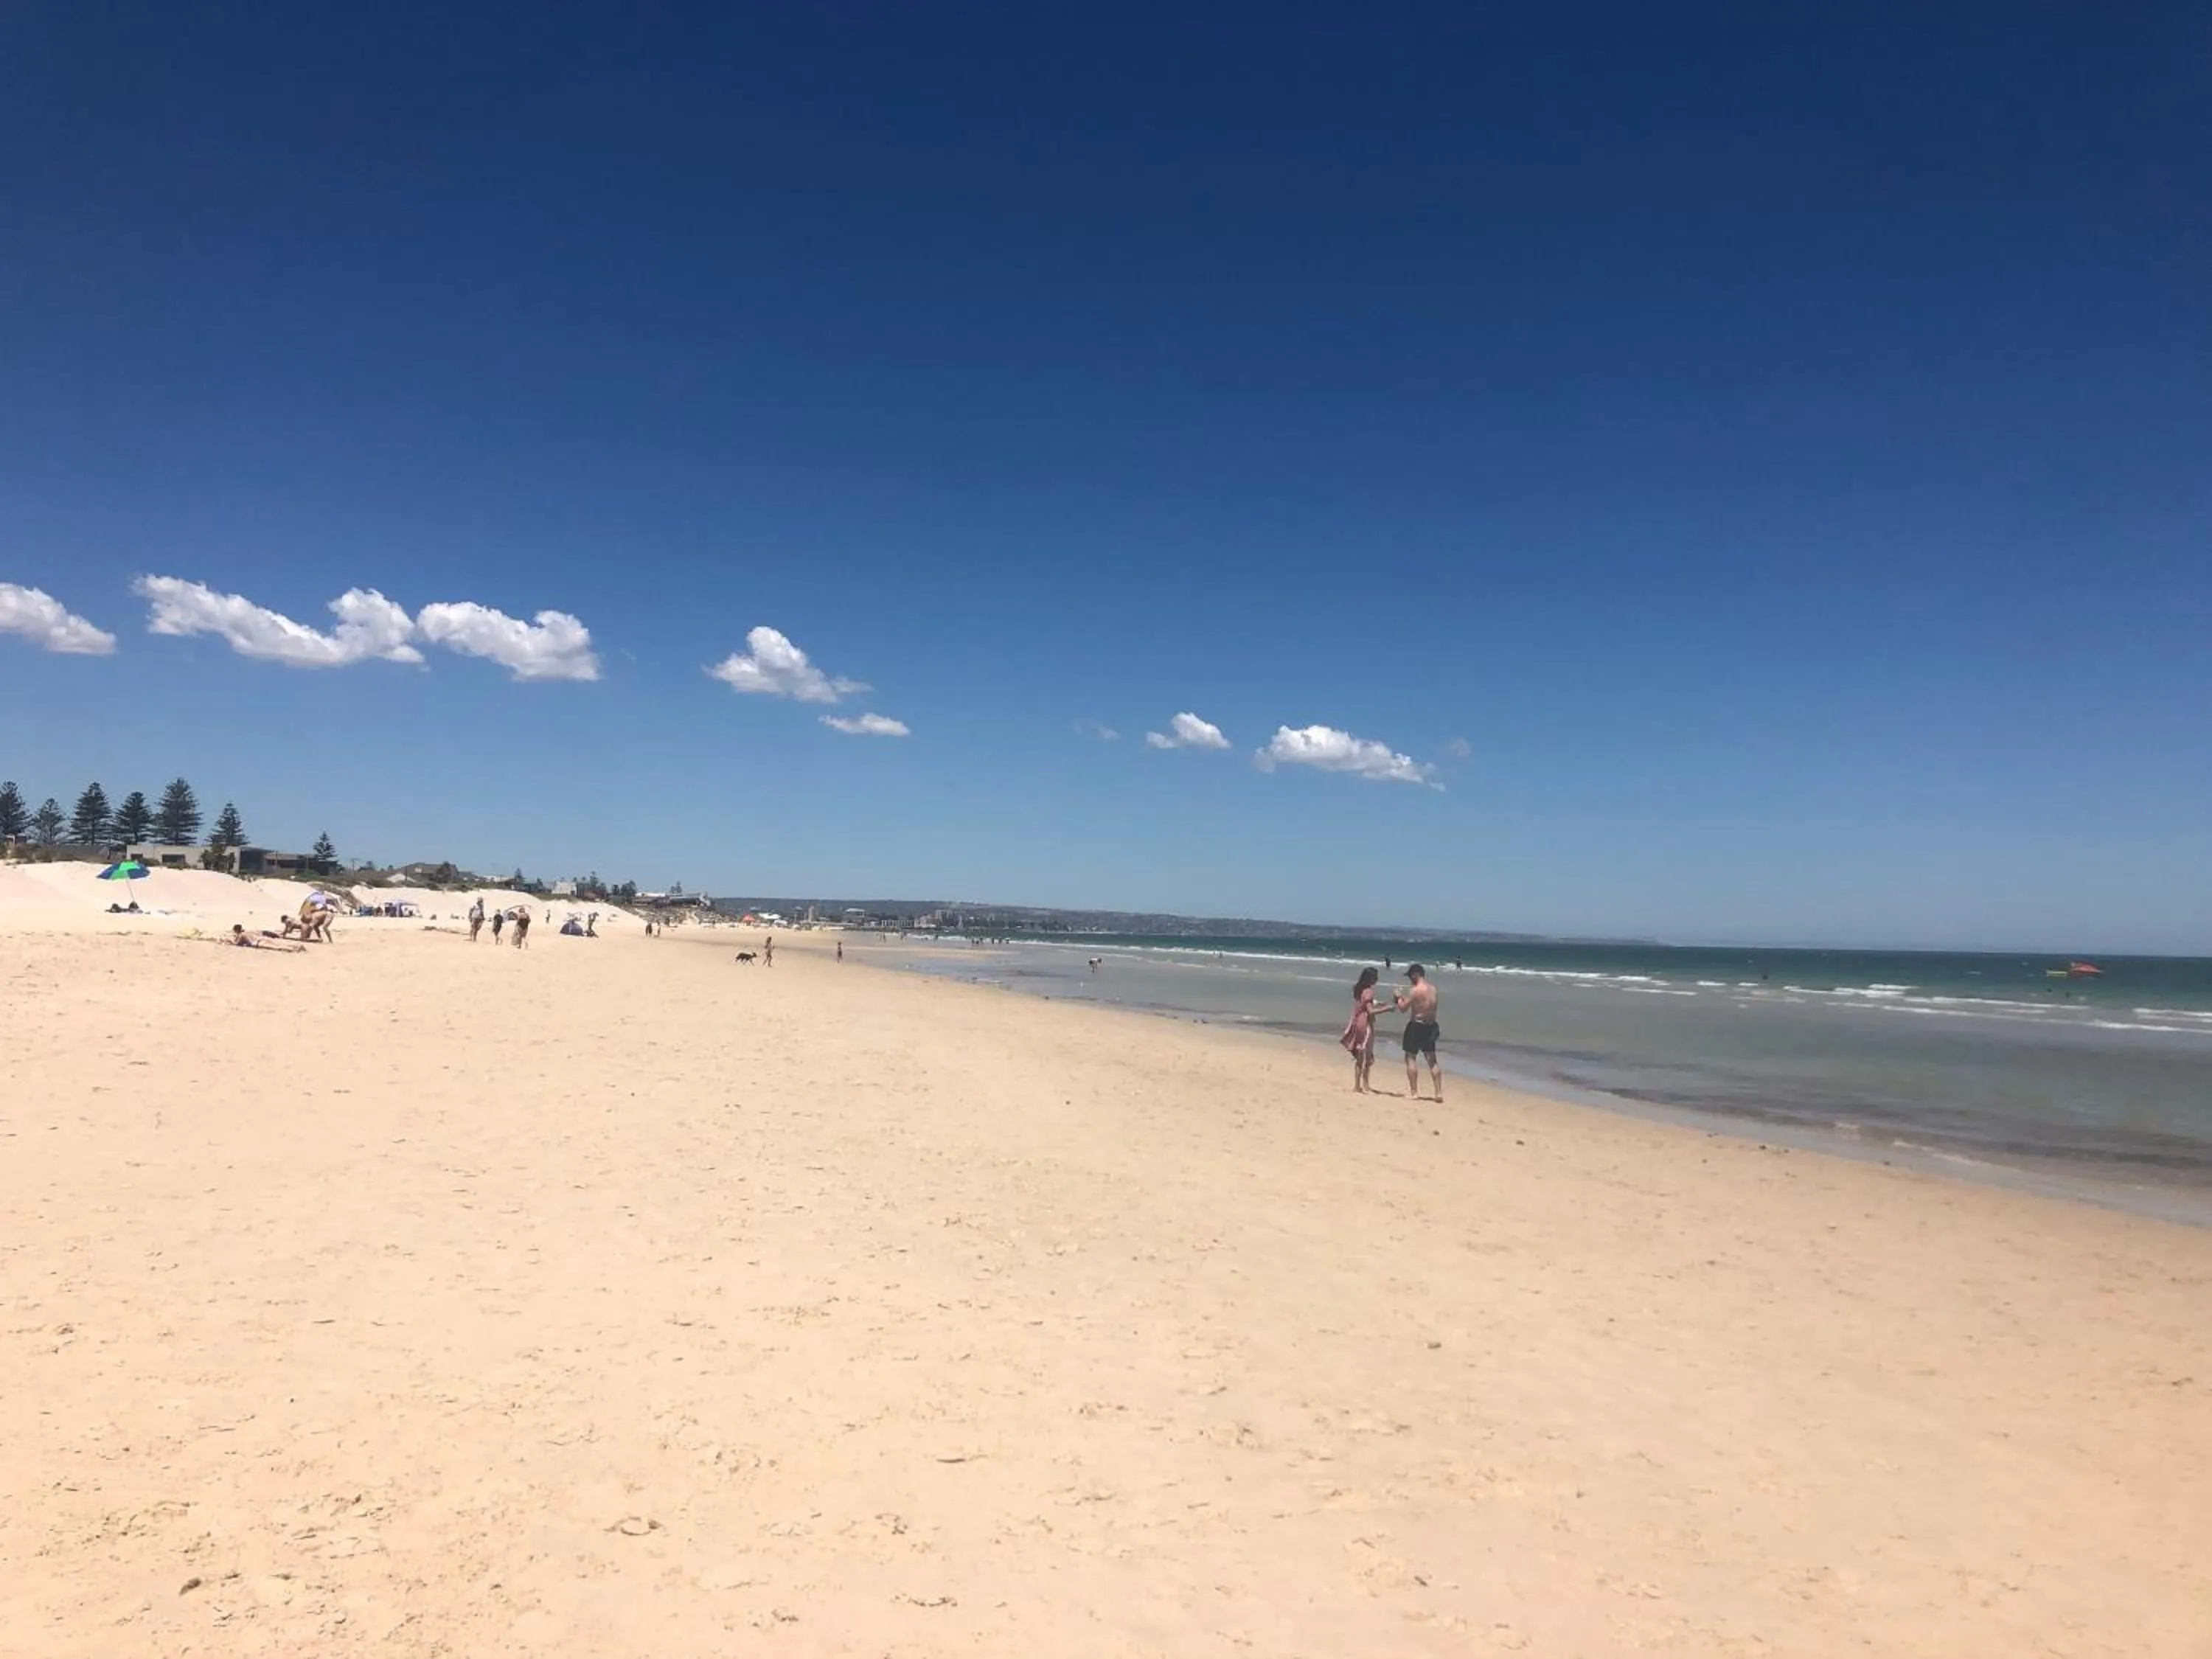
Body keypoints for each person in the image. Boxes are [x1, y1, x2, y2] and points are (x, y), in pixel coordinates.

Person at [1394, 964, 1443, 1102]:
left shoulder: (1415, 991)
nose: (1410, 979)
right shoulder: (1433, 990)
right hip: (1431, 1026)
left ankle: (1414, 1092)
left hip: (1417, 1025)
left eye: (1410, 976)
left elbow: (1403, 1008)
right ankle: (1438, 1092)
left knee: (1410, 1057)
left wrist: (1398, 998)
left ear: (1416, 974)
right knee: (1432, 1060)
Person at [1340, 966, 1382, 1093]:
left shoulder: (1359, 990)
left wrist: (1380, 1004)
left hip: (1357, 1022)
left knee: (1360, 1055)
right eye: (1375, 977)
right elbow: (1370, 1010)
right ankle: (1365, 1084)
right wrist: (1387, 1009)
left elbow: (1365, 1004)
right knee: (1367, 1056)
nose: (1377, 979)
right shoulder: (1369, 991)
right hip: (1366, 1023)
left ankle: (1358, 1085)